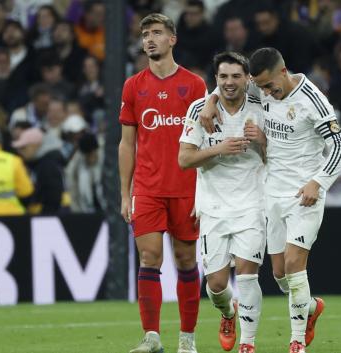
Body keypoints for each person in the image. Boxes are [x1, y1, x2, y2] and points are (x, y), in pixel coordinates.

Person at [199, 47, 341, 353]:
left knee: (295, 266)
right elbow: (232, 85)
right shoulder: (261, 87)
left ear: (283, 71)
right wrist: (210, 101)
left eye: (270, 86)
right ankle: (309, 307)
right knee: (280, 274)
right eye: (262, 87)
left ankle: (296, 342)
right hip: (272, 193)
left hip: (304, 195)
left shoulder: (313, 100)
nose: (266, 93)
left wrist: (317, 182)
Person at [118, 13, 207, 353]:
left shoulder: (195, 85)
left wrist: (206, 190)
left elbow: (206, 137)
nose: (149, 39)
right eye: (145, 34)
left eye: (157, 32)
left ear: (173, 39)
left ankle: (187, 339)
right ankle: (152, 337)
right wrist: (125, 194)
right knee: (149, 258)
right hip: (148, 188)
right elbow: (127, 143)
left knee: (186, 260)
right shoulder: (133, 86)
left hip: (186, 188)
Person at [178, 52, 266, 353]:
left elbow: (278, 158)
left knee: (247, 274)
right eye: (223, 77)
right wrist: (221, 149)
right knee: (216, 285)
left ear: (247, 79)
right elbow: (184, 159)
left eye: (236, 76)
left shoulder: (261, 107)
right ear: (216, 79)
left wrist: (262, 140)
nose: (229, 82)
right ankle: (228, 313)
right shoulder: (199, 110)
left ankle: (248, 344)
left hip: (253, 203)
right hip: (213, 206)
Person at [12, 127, 65, 215]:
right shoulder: (36, 164)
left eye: (23, 147)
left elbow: (53, 198)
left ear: (36, 145)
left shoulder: (47, 165)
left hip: (48, 218)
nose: (19, 151)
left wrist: (43, 219)